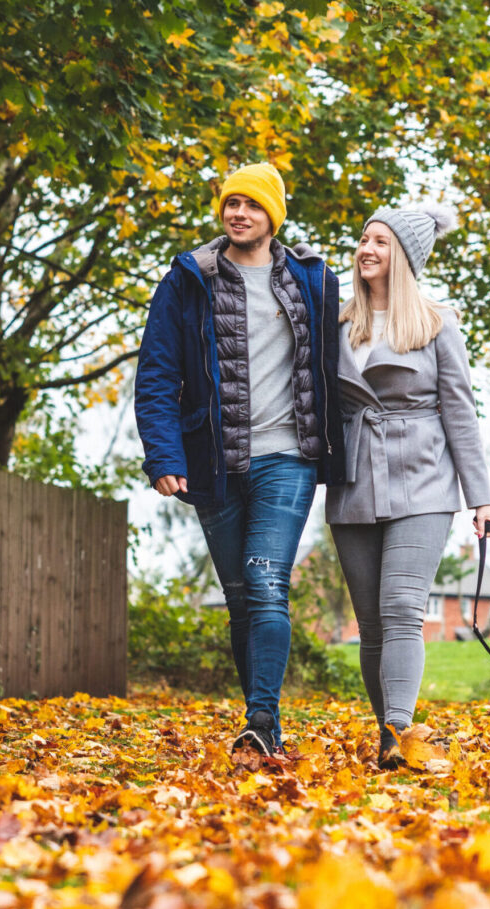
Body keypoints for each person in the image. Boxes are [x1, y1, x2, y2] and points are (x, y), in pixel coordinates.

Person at [134, 163, 345, 757]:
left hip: (289, 457)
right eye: (231, 204)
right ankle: (265, 726)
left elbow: (340, 362)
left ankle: (260, 715)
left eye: (252, 205)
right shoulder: (188, 279)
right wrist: (164, 456)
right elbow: (157, 375)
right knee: (239, 599)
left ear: (273, 216)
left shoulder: (311, 277)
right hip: (214, 463)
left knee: (265, 581)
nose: (239, 214)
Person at [325, 204, 490, 769]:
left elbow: (461, 412)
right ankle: (387, 733)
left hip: (422, 477)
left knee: (401, 607)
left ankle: (401, 734)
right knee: (370, 623)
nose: (366, 249)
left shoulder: (435, 322)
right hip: (354, 478)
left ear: (403, 256)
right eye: (362, 238)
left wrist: (482, 498)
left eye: (380, 240)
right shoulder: (338, 321)